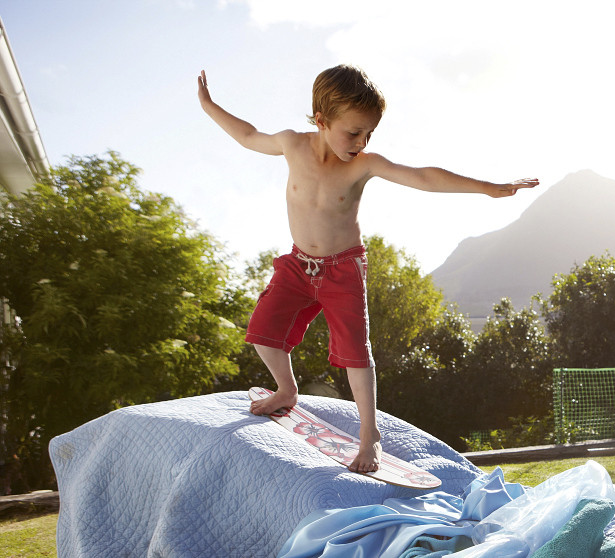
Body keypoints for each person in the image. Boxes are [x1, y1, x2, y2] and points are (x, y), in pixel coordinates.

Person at [197, 64, 538, 473]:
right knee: (263, 332)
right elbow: (248, 135)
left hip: (342, 269)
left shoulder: (363, 165)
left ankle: (369, 434)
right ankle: (286, 389)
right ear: (321, 121)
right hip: (297, 265)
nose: (362, 142)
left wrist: (485, 187)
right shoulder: (291, 144)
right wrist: (208, 105)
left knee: (357, 355)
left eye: (369, 133)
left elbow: (424, 177)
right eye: (353, 132)